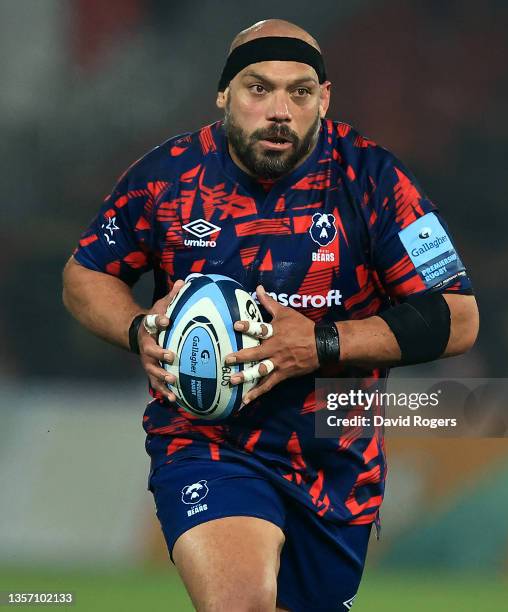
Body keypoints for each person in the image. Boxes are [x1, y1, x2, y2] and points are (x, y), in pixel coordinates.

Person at [62, 18, 479, 612]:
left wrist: (320, 345)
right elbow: (84, 275)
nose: (279, 109)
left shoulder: (375, 179)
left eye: (300, 92)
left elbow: (459, 318)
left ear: (324, 99)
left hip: (335, 450)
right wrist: (138, 330)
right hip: (208, 439)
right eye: (259, 89)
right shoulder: (166, 177)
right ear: (224, 95)